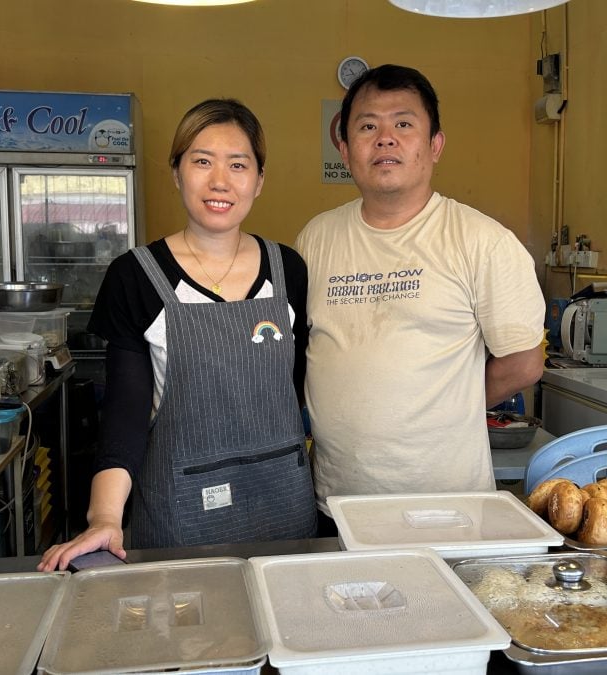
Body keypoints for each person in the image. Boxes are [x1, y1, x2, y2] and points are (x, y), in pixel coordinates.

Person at [39, 99, 316, 571]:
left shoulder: (288, 268)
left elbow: (293, 391)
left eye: (238, 165)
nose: (220, 181)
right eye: (202, 161)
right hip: (181, 517)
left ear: (259, 180)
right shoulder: (136, 277)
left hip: (284, 511)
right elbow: (124, 414)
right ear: (177, 173)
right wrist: (105, 516)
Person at [295, 64, 547, 513]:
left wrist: (442, 409)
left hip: (444, 506)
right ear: (345, 147)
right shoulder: (316, 237)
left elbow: (524, 363)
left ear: (435, 146)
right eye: (368, 125)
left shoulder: (482, 241)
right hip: (336, 505)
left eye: (404, 124)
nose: (385, 138)